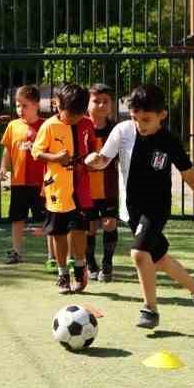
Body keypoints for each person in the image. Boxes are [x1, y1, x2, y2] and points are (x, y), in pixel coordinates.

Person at [84, 83, 194, 330]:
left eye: (146, 119)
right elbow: (104, 160)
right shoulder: (123, 132)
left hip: (156, 208)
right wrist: (94, 160)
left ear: (162, 115)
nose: (140, 125)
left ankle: (150, 310)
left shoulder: (169, 141)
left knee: (138, 254)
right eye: (135, 118)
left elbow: (189, 175)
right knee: (159, 259)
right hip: (133, 209)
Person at [32, 83, 92, 295]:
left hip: (81, 188)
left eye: (78, 115)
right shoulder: (49, 126)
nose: (73, 119)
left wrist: (89, 160)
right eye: (70, 115)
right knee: (58, 233)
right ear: (59, 106)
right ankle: (62, 274)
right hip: (57, 188)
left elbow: (93, 149)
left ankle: (80, 267)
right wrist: (56, 158)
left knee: (79, 229)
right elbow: (36, 152)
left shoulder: (87, 124)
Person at [0, 84, 45, 265]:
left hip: (41, 183)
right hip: (19, 182)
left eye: (25, 105)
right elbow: (8, 150)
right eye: (18, 105)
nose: (20, 109)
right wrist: (2, 168)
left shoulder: (46, 126)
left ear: (36, 105)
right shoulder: (13, 126)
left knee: (44, 219)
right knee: (17, 218)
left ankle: (52, 255)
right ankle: (16, 251)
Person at [84, 84, 123, 283]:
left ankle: (107, 264)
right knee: (89, 228)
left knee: (109, 223)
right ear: (88, 103)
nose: (101, 105)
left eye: (105, 101)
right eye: (96, 101)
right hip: (86, 188)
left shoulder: (116, 129)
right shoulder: (81, 127)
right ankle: (90, 263)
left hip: (109, 187)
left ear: (111, 104)